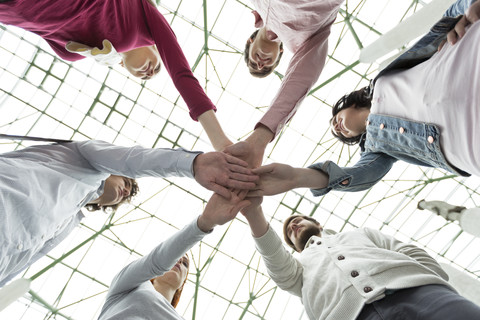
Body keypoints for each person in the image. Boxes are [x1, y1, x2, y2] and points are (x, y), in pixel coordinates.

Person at [247, 0, 480, 198]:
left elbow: (447, 20)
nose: (337, 127)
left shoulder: (383, 78)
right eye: (339, 133)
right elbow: (360, 176)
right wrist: (298, 178)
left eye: (335, 119)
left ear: (346, 104)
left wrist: (468, 4)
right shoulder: (377, 148)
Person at [0, 140, 257, 287]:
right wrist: (193, 164)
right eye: (127, 181)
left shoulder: (69, 222)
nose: (127, 189)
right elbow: (133, 158)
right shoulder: (78, 157)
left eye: (130, 191)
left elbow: (19, 261)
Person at [0, 0, 230, 150]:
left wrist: (91, 52)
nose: (149, 72)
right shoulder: (145, 17)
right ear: (156, 50)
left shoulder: (92, 54)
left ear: (122, 67)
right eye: (157, 67)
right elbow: (181, 74)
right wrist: (220, 141)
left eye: (144, 77)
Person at [241, 201, 480, 320]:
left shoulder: (359, 233)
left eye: (298, 220)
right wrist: (254, 212)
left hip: (423, 294)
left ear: (318, 223)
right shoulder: (297, 270)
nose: (293, 225)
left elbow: (408, 250)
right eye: (289, 232)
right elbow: (275, 260)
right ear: (292, 247)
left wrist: (428, 282)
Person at [224, 0, 345, 168]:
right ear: (280, 52)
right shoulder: (304, 42)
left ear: (249, 42)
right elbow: (300, 79)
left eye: (252, 62)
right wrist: (261, 137)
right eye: (267, 67)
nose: (260, 65)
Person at [98, 190, 251, 319]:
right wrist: (205, 222)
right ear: (154, 274)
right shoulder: (129, 285)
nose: (179, 261)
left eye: (185, 264)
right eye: (177, 257)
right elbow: (157, 260)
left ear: (183, 283)